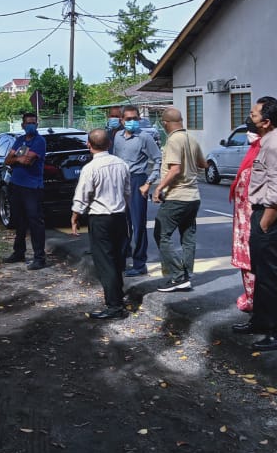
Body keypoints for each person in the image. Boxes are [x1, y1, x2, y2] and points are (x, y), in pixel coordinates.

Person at [233, 96, 277, 352]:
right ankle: (261, 321)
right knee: (262, 272)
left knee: (275, 277)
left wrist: (264, 224)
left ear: (266, 121)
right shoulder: (268, 141)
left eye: (253, 115)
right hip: (265, 214)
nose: (249, 119)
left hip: (274, 217)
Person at [71, 128, 133, 319]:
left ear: (89, 145)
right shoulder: (122, 164)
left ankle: (114, 306)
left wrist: (75, 217)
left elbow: (82, 195)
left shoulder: (90, 168)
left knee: (105, 262)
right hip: (120, 216)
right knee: (116, 259)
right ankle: (117, 296)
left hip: (100, 218)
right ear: (109, 144)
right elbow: (127, 191)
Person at [147, 107, 205, 293]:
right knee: (188, 236)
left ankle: (178, 276)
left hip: (177, 197)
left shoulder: (173, 140)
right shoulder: (191, 139)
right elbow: (203, 164)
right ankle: (187, 275)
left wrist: (159, 188)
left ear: (165, 123)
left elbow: (175, 169)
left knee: (161, 233)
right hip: (193, 196)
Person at [110, 105, 161, 276]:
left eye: (135, 119)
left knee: (137, 224)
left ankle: (140, 264)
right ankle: (123, 258)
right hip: (120, 182)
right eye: (128, 119)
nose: (132, 122)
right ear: (122, 120)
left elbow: (158, 160)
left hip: (137, 179)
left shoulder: (145, 138)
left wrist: (148, 183)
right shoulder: (117, 136)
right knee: (122, 223)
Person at [3, 111, 48, 270]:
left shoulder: (39, 141)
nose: (31, 125)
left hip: (32, 187)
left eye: (34, 123)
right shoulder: (19, 140)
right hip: (16, 184)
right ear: (22, 125)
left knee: (35, 222)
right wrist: (17, 159)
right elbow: (7, 160)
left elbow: (28, 161)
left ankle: (39, 257)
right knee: (19, 220)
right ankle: (19, 252)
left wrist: (18, 159)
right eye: (28, 123)